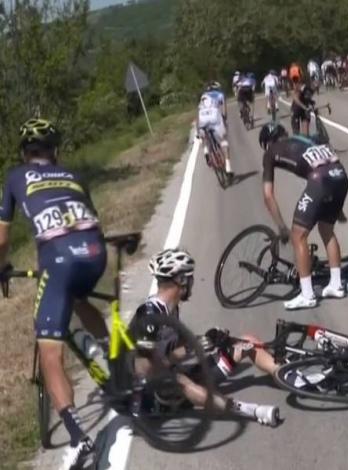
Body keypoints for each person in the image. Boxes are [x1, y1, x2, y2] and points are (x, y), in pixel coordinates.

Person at [0, 119, 108, 468]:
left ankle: (79, 439)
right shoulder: (72, 175)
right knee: (79, 296)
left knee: (50, 353)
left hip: (59, 261)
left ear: (24, 153)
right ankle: (113, 355)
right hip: (96, 253)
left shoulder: (16, 177)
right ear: (55, 151)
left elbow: (2, 240)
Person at [130, 249, 280, 427]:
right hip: (151, 396)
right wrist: (189, 349)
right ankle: (251, 411)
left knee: (246, 342)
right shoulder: (149, 316)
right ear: (182, 280)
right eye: (190, 277)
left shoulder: (171, 308)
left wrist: (210, 338)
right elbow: (144, 369)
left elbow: (173, 345)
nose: (193, 283)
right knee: (181, 381)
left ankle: (288, 374)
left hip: (177, 374)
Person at [260, 125, 348, 310]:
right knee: (326, 229)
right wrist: (336, 209)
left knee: (298, 235)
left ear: (267, 143)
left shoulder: (270, 152)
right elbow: (327, 162)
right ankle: (336, 285)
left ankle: (307, 295)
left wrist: (282, 227)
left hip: (320, 181)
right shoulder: (305, 139)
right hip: (341, 177)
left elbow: (268, 195)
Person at [198, 84, 234, 177]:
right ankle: (228, 168)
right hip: (214, 116)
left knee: (203, 135)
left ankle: (206, 151)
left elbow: (198, 111)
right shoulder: (220, 94)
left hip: (203, 116)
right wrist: (224, 120)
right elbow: (224, 111)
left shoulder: (203, 96)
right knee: (224, 141)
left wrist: (198, 130)